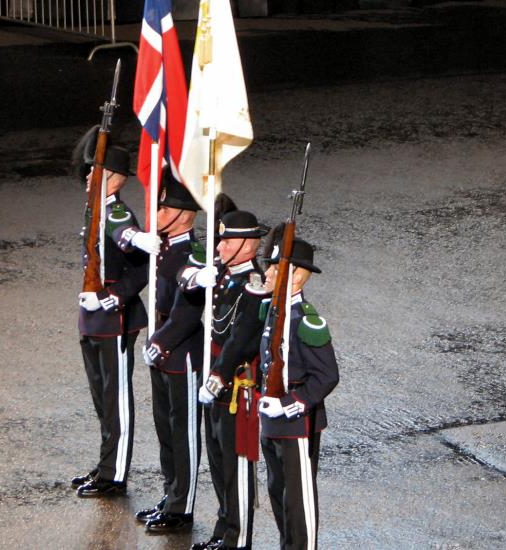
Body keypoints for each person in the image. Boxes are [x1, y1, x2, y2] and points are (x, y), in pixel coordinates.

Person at [114, 169, 205, 532]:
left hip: (182, 354)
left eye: (165, 209)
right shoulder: (165, 247)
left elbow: (188, 313)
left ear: (185, 214)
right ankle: (171, 494)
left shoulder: (193, 253)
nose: (158, 215)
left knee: (183, 435)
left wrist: (160, 342)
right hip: (162, 351)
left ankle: (182, 508)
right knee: (165, 429)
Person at [186, 209, 270, 550]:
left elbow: (242, 339)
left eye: (228, 241)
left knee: (236, 465)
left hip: (236, 385)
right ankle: (224, 529)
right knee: (218, 461)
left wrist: (218, 375)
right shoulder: (224, 276)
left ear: (249, 246)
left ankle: (239, 539)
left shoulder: (254, 285)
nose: (220, 247)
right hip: (215, 380)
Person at [72, 141, 149, 498]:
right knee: (101, 397)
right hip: (92, 316)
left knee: (115, 398)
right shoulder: (94, 210)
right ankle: (106, 463)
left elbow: (135, 254)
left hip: (115, 316)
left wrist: (114, 297)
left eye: (97, 170)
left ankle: (114, 474)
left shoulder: (117, 212)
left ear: (115, 179)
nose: (89, 175)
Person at [257, 235, 339, 550]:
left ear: (296, 277)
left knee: (299, 499)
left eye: (275, 270)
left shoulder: (307, 320)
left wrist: (291, 405)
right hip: (272, 418)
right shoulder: (273, 313)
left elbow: (327, 375)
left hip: (297, 422)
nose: (267, 274)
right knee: (278, 491)